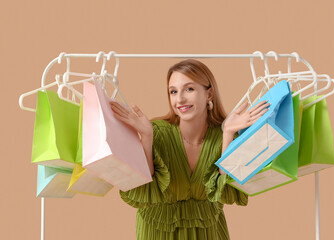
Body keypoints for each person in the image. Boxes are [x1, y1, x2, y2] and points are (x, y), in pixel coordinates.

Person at [110, 59, 269, 239]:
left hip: (209, 231)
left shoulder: (222, 135)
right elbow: (145, 191)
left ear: (209, 94)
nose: (180, 99)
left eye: (189, 89)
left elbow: (223, 191)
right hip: (157, 231)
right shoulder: (157, 132)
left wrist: (228, 134)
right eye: (173, 91)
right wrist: (146, 136)